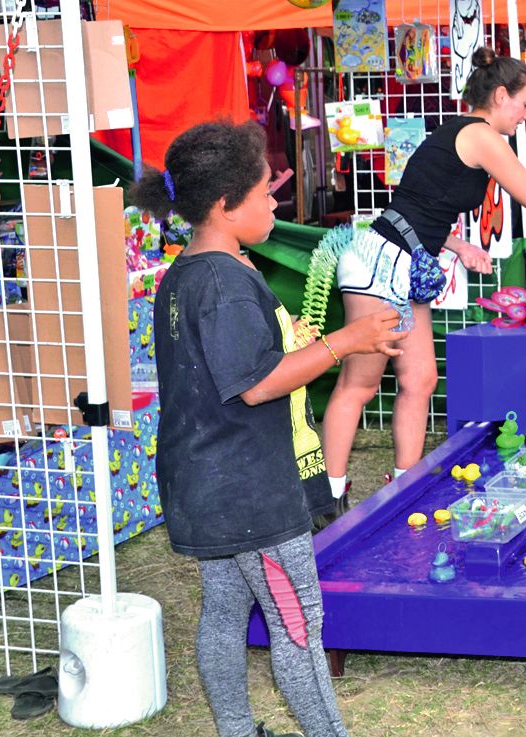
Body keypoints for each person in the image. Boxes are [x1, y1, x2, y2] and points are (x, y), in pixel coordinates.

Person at [134, 122, 408, 737]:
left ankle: (236, 729)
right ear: (227, 206)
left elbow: (231, 367)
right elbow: (256, 384)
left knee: (226, 611)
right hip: (248, 491)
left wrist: (298, 345)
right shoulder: (225, 283)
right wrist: (347, 340)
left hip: (203, 482)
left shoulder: (189, 271)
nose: (276, 202)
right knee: (296, 623)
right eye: (265, 193)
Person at [324, 47, 526, 503]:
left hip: (402, 260)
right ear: (499, 95)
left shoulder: (462, 132)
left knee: (420, 380)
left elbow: (422, 203)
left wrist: (457, 244)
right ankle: (327, 495)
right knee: (360, 383)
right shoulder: (482, 137)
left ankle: (403, 488)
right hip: (380, 262)